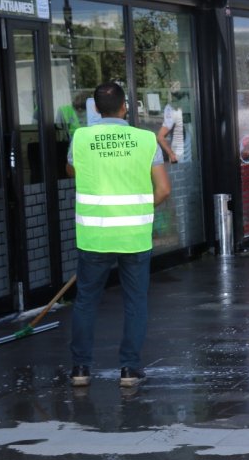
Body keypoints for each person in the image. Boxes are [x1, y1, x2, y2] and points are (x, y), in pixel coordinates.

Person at [66, 82, 171, 388]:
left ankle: (81, 370)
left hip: (94, 237)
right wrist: (138, 206)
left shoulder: (81, 138)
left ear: (96, 109)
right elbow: (163, 189)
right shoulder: (145, 140)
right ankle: (129, 369)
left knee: (86, 301)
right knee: (135, 301)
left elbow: (73, 171)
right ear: (126, 107)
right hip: (134, 236)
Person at [157, 91, 188, 164]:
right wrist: (171, 154)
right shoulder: (171, 110)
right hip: (179, 151)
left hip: (190, 149)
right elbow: (160, 136)